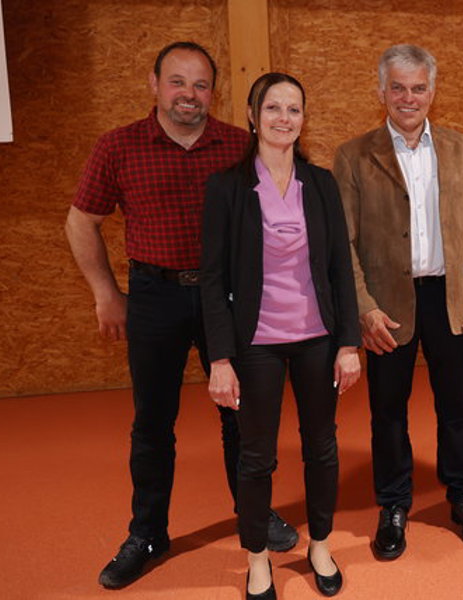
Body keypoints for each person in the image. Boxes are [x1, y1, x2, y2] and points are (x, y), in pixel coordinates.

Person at [65, 41, 297, 590]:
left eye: (200, 84)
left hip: (231, 300)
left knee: (243, 417)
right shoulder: (118, 146)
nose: (188, 94)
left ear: (213, 92)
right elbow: (80, 221)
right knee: (152, 424)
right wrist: (105, 293)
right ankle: (147, 533)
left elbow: (282, 219)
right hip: (155, 296)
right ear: (154, 84)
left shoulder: (240, 146)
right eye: (177, 81)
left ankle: (254, 514)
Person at [332, 43, 463, 560]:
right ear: (381, 91)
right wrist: (363, 307)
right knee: (387, 411)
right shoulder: (353, 156)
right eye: (398, 88)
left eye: (418, 88)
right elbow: (341, 242)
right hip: (386, 308)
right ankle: (393, 503)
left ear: (432, 91)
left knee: (458, 407)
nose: (408, 98)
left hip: (452, 299)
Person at [200, 72, 361, 599]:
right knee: (256, 456)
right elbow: (213, 280)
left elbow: (340, 268)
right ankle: (257, 558)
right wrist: (220, 358)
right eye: (273, 108)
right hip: (256, 343)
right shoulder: (226, 188)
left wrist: (348, 343)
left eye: (293, 109)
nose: (283, 118)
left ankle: (320, 545)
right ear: (252, 116)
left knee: (322, 447)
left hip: (317, 337)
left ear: (303, 119)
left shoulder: (321, 184)